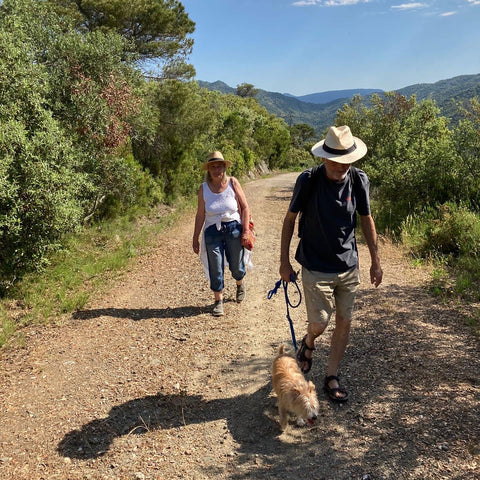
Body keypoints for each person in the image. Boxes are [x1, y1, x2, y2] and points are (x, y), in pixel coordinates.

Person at [279, 125, 383, 403]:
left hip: (348, 264)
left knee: (345, 321)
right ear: (324, 157)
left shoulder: (359, 180)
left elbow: (366, 219)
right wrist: (284, 261)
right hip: (315, 264)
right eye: (335, 160)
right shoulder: (309, 180)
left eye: (345, 160)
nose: (340, 166)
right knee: (320, 323)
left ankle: (331, 376)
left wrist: (375, 260)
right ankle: (308, 343)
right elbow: (289, 220)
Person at [193, 151, 252, 316]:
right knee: (216, 267)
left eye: (219, 166)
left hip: (233, 228)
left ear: (224, 168)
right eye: (213, 166)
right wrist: (195, 237)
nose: (216, 169)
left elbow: (245, 207)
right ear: (209, 170)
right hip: (212, 231)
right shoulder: (203, 189)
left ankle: (240, 283)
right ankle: (218, 301)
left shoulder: (233, 183)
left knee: (236, 265)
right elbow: (200, 214)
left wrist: (245, 230)